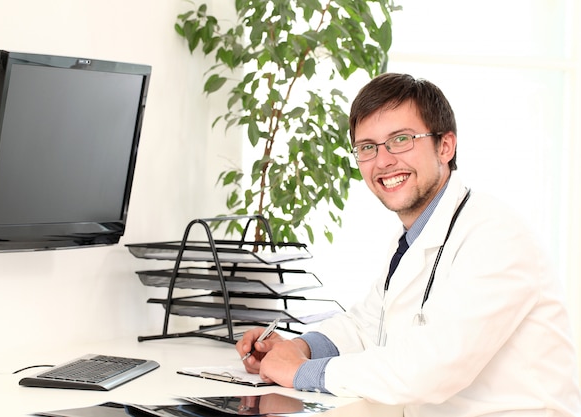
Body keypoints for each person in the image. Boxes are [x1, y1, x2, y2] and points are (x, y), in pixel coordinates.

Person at [236, 73, 581, 417]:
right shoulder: (414, 237)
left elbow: (433, 367)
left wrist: (300, 372)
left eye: (400, 139)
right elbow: (367, 324)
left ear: (445, 146)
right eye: (367, 147)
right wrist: (299, 348)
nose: (383, 161)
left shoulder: (496, 236)